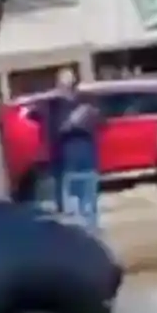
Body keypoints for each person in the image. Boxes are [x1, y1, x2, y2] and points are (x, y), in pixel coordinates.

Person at [40, 67, 102, 229]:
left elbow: (98, 124)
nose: (66, 89)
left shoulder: (86, 103)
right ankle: (78, 231)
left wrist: (83, 118)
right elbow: (52, 134)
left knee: (88, 202)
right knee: (72, 207)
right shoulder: (54, 107)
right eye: (62, 85)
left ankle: (90, 230)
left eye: (68, 85)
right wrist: (70, 122)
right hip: (67, 163)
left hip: (86, 161)